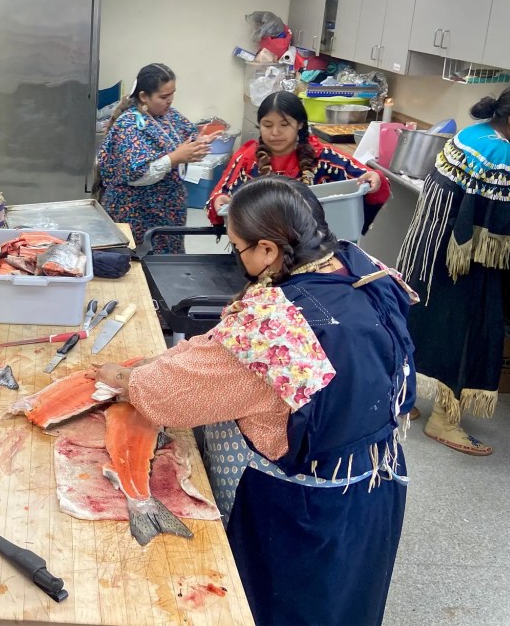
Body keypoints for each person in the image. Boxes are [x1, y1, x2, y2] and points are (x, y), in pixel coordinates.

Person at [96, 176, 416, 625]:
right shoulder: (361, 266)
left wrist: (129, 379)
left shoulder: (273, 327)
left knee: (286, 607)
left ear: (268, 249)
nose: (238, 257)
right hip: (374, 480)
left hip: (300, 507)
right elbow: (232, 349)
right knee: (348, 600)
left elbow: (169, 397)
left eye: (237, 247)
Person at [397, 86, 510, 456]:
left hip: (428, 253)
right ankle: (446, 421)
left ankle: (404, 401)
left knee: (421, 321)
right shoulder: (501, 152)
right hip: (460, 263)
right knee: (468, 332)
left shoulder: (473, 133)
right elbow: (500, 225)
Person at [206, 91, 389, 231]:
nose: (275, 133)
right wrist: (220, 201)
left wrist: (375, 177)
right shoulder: (247, 159)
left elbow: (369, 180)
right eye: (267, 125)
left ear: (300, 124)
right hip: (259, 252)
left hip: (317, 253)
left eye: (284, 125)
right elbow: (218, 198)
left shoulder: (325, 157)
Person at [96, 63, 211, 254]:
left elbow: (184, 142)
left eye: (172, 94)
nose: (170, 101)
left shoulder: (170, 116)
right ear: (143, 96)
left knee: (167, 266)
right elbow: (136, 175)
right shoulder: (129, 125)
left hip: (168, 211)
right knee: (139, 263)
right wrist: (174, 158)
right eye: (164, 97)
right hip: (137, 211)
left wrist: (199, 144)